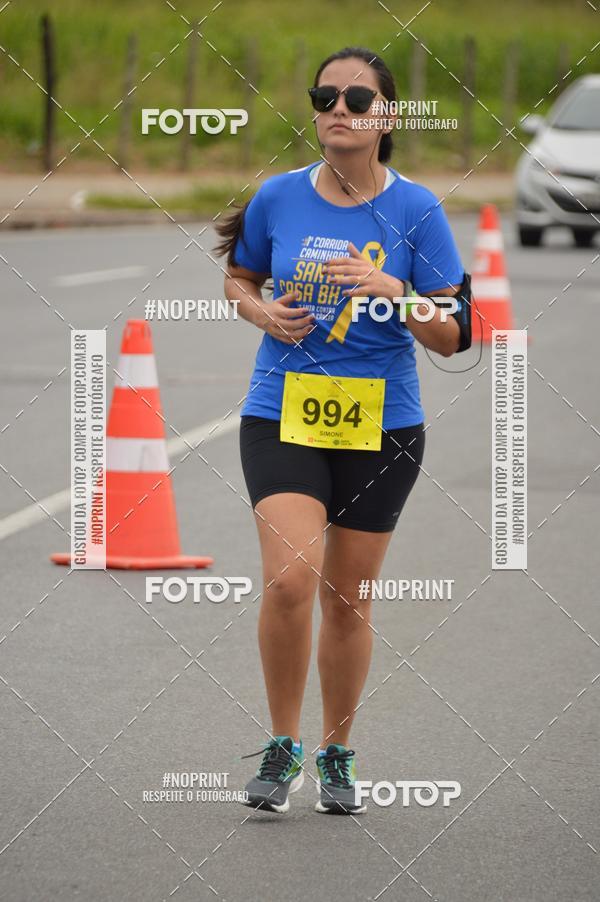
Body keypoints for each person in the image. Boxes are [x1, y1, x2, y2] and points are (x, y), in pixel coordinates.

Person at [214, 46, 465, 815]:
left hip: (383, 424)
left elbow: (454, 332)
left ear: (387, 117)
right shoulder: (278, 198)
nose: (339, 110)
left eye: (359, 100)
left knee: (349, 599)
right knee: (292, 578)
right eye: (326, 96)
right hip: (281, 409)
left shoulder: (417, 210)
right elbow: (239, 277)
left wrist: (396, 290)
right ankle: (283, 743)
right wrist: (260, 312)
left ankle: (337, 751)